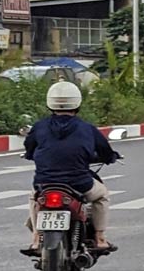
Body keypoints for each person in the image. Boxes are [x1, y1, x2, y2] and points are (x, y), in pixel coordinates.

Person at [21, 81, 119, 255]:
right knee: (102, 195)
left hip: (45, 184)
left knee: (34, 197)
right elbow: (105, 150)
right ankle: (100, 238)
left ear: (49, 103)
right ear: (78, 103)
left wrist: (31, 155)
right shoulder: (87, 129)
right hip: (79, 183)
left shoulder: (40, 127)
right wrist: (110, 157)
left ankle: (36, 238)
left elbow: (29, 148)